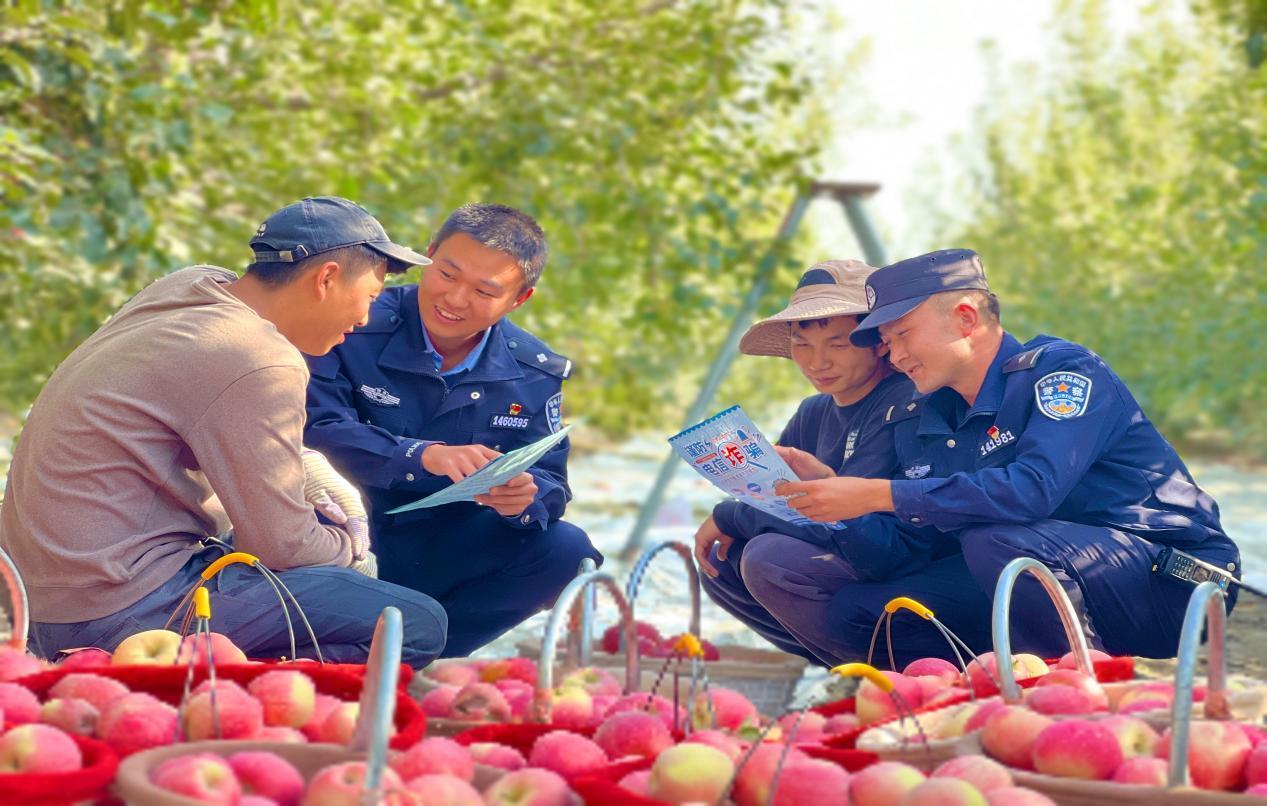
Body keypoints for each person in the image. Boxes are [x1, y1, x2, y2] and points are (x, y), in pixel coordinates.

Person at [0, 196, 449, 667]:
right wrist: (351, 552)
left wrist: (301, 465)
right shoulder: (259, 356)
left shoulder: (190, 289)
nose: (363, 320)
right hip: (114, 605)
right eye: (371, 297)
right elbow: (285, 546)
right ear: (326, 278)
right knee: (414, 624)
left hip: (35, 595)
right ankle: (204, 680)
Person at [780, 248, 1241, 660]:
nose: (893, 356)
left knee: (996, 541)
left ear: (966, 319)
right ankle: (976, 688)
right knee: (858, 611)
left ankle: (1070, 686)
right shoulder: (927, 416)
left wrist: (881, 493)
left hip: (1177, 582)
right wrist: (838, 505)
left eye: (901, 335)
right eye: (887, 341)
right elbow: (908, 549)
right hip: (1037, 571)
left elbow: (1032, 490)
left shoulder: (1062, 372)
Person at [304, 203, 600, 657]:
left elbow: (552, 484)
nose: (455, 299)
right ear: (428, 256)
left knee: (565, 549)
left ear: (519, 299)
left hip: (445, 545)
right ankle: (328, 652)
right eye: (447, 274)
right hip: (342, 530)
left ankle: (417, 656)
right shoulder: (353, 322)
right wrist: (422, 455)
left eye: (484, 291)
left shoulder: (533, 371)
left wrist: (525, 495)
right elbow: (315, 429)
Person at [692, 259, 943, 666]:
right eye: (803, 344)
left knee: (769, 558)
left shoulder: (905, 402)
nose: (817, 362)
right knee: (723, 561)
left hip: (903, 564)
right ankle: (838, 664)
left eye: (838, 345)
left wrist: (731, 515)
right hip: (845, 556)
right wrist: (737, 513)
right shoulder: (813, 412)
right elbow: (772, 493)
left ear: (880, 342)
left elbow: (840, 518)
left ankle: (894, 667)